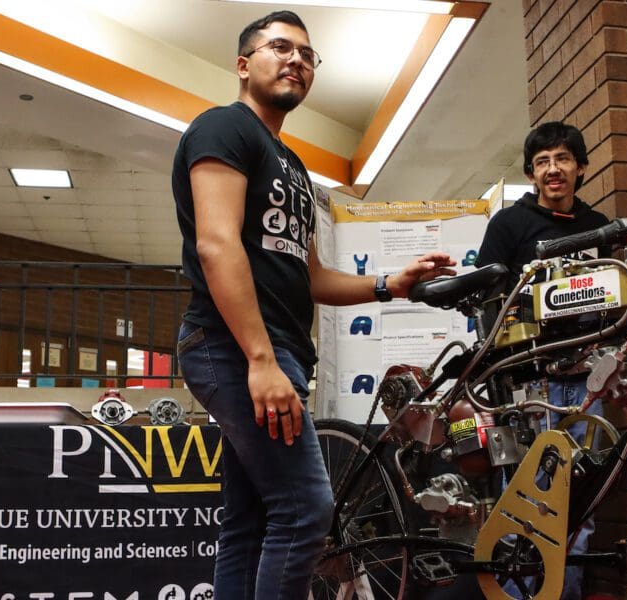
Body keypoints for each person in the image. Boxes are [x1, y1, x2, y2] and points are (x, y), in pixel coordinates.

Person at [171, 11, 455, 600]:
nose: (296, 59)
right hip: (235, 348)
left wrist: (389, 284)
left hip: (269, 353)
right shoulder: (223, 128)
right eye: (280, 47)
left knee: (248, 526)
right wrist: (260, 359)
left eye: (306, 53)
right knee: (306, 512)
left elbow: (313, 275)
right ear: (244, 64)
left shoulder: (293, 167)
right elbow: (216, 243)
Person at [475, 121, 610, 600]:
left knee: (581, 506)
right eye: (543, 162)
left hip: (590, 382)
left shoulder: (599, 228)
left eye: (563, 159)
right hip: (531, 385)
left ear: (581, 167)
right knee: (527, 503)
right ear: (532, 174)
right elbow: (483, 303)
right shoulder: (508, 226)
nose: (553, 170)